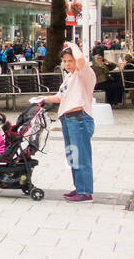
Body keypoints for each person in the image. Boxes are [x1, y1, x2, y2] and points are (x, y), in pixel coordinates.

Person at [39, 42, 96, 203]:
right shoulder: (69, 77)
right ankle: (79, 187)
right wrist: (41, 98)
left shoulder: (84, 73)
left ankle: (85, 191)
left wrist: (73, 45)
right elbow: (60, 97)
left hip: (79, 118)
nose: (67, 64)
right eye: (64, 61)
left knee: (81, 155)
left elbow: (81, 60)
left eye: (70, 60)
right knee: (73, 155)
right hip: (68, 119)